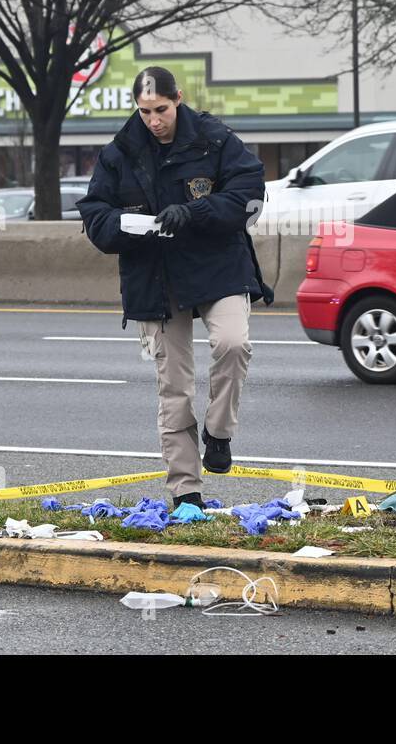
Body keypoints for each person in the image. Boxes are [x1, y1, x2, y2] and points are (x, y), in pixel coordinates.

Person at [76, 66, 274, 509]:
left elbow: (250, 193)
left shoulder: (215, 138)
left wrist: (195, 212)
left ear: (178, 99)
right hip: (155, 277)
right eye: (144, 111)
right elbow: (95, 215)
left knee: (233, 343)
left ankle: (219, 434)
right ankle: (186, 490)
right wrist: (127, 227)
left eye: (160, 109)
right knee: (175, 388)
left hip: (218, 266)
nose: (153, 120)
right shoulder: (119, 153)